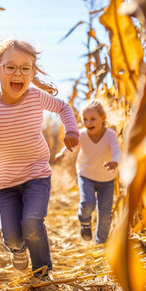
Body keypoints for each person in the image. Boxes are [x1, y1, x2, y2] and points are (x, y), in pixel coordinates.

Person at [0, 38, 79, 277]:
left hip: (37, 175)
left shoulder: (36, 97)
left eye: (25, 68)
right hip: (6, 184)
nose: (18, 73)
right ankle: (17, 250)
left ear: (32, 72)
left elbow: (63, 108)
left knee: (32, 223)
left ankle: (42, 272)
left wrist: (71, 129)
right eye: (11, 67)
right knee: (13, 237)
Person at [55, 100, 120, 244]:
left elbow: (117, 150)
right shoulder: (82, 134)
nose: (88, 122)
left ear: (103, 119)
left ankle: (100, 242)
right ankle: (85, 222)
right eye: (85, 119)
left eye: (92, 119)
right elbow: (71, 144)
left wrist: (115, 162)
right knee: (87, 203)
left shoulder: (110, 135)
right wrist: (62, 153)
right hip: (86, 175)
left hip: (107, 179)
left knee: (105, 214)